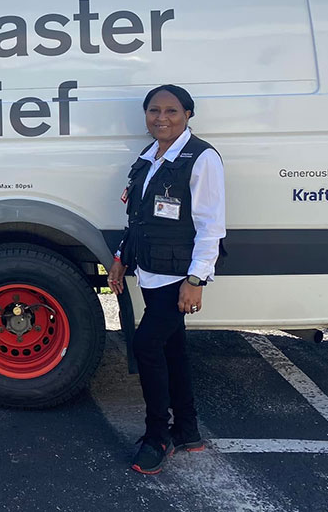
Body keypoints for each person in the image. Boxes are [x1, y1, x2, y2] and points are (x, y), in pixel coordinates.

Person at [108, 84, 226, 475]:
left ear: (188, 114)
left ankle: (158, 434)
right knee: (172, 349)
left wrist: (196, 279)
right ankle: (188, 429)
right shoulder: (149, 155)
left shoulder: (202, 158)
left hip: (178, 275)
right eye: (154, 111)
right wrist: (122, 258)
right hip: (150, 270)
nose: (162, 118)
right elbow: (137, 216)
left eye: (172, 111)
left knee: (146, 345)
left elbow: (211, 226)